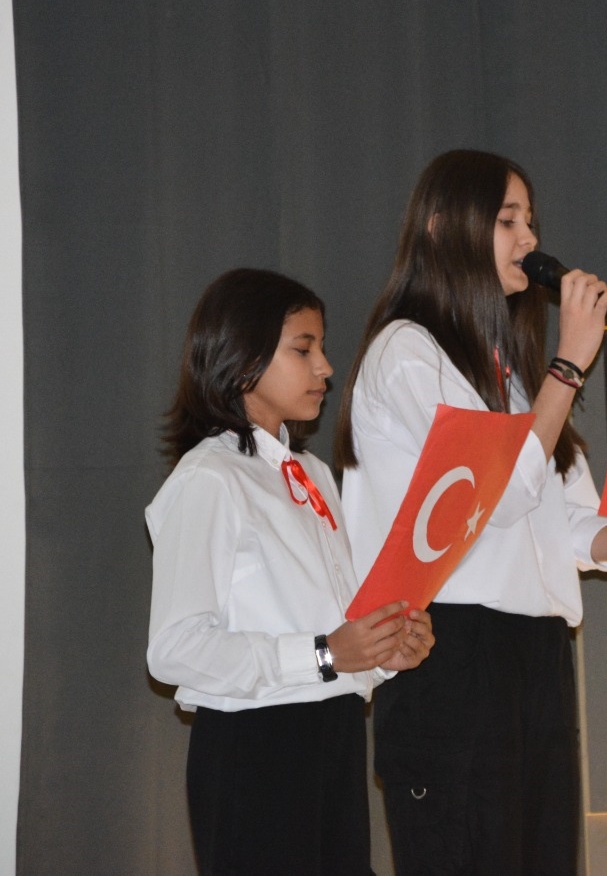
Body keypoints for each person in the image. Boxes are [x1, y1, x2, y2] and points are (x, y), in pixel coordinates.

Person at [335, 148, 607, 875]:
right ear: (442, 227)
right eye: (508, 221)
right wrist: (569, 365)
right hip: (450, 648)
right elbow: (491, 498)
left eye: (531, 221)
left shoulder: (509, 369)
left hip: (534, 655)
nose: (530, 239)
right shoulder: (408, 352)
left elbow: (564, 518)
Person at [146, 268, 436, 876]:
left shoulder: (313, 474)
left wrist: (385, 651)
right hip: (255, 748)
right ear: (242, 362)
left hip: (333, 736)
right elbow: (174, 649)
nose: (325, 367)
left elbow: (332, 630)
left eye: (321, 348)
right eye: (303, 349)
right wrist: (326, 654)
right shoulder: (209, 478)